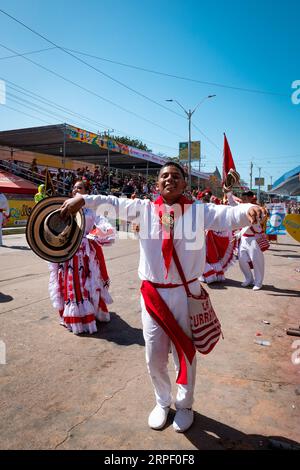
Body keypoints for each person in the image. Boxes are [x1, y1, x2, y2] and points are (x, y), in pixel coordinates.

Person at [60, 162, 266, 432]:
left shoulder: (199, 212)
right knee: (154, 356)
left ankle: (185, 405)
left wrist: (248, 209)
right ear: (157, 184)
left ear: (184, 184)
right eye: (164, 176)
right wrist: (83, 198)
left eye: (176, 176)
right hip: (153, 294)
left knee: (185, 355)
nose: (170, 179)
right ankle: (162, 402)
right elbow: (112, 201)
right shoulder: (144, 209)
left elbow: (228, 214)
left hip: (186, 293)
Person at [49, 179, 116, 334]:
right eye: (73, 188)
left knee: (87, 284)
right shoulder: (65, 208)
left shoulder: (92, 210)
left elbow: (105, 226)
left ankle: (89, 316)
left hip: (85, 255)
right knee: (70, 285)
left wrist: (92, 236)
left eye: (79, 188)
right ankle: (73, 318)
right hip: (67, 254)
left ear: (87, 192)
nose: (75, 190)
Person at [235, 191, 266, 291]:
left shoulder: (256, 208)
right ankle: (248, 278)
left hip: (254, 238)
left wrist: (239, 233)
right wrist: (228, 192)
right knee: (242, 260)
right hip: (244, 238)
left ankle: (258, 282)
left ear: (250, 198)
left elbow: (252, 223)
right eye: (242, 199)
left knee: (257, 260)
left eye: (245, 199)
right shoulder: (241, 207)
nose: (243, 201)